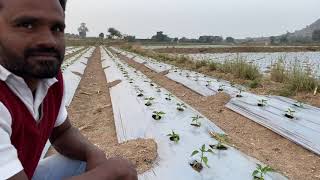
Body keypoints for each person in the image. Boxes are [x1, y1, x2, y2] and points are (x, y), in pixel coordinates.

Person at [0, 0, 138, 179]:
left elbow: (62, 133)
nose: (49, 41)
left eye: (56, 28)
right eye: (27, 25)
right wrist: (111, 172)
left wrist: (93, 154)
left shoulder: (49, 78)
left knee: (83, 162)